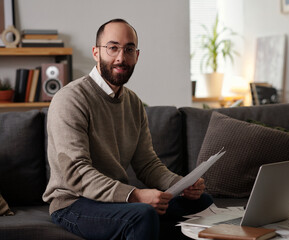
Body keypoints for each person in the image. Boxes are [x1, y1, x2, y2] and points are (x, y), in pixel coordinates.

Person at [42, 18, 213, 240]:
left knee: (202, 204)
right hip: (73, 203)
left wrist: (181, 185)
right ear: (96, 52)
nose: (121, 57)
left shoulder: (133, 103)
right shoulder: (70, 99)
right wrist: (134, 195)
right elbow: (76, 173)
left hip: (114, 201)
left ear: (137, 56)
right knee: (142, 215)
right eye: (112, 48)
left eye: (129, 49)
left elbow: (147, 164)